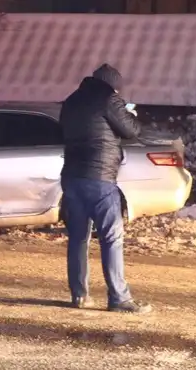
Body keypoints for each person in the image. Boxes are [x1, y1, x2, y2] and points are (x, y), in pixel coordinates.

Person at [59, 63, 151, 314]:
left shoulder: (71, 101)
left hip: (71, 177)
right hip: (99, 179)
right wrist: (129, 112)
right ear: (114, 85)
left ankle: (79, 295)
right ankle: (119, 298)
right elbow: (131, 131)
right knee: (111, 238)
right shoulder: (110, 99)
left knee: (78, 238)